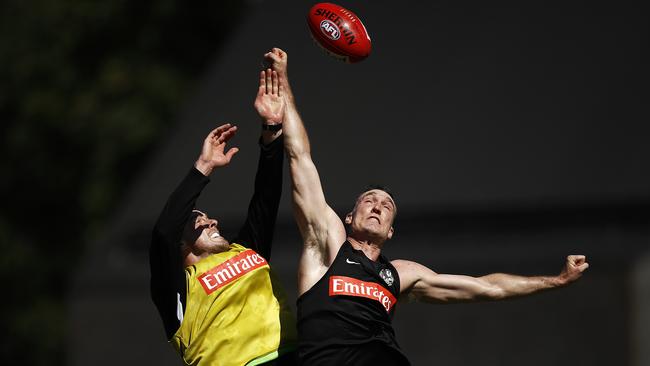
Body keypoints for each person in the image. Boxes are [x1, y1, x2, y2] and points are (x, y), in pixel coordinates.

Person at [263, 47, 590, 366]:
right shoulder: (327, 244)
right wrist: (284, 85)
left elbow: (487, 287)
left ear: (391, 230)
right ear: (350, 216)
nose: (377, 206)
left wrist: (556, 280)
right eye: (369, 200)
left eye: (386, 205)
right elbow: (300, 157)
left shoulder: (401, 274)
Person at [149, 69, 297, 365]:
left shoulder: (246, 249)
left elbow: (266, 198)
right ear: (180, 245)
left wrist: (271, 129)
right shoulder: (177, 289)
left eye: (208, 217)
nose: (210, 221)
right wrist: (204, 166)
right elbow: (165, 231)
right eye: (197, 220)